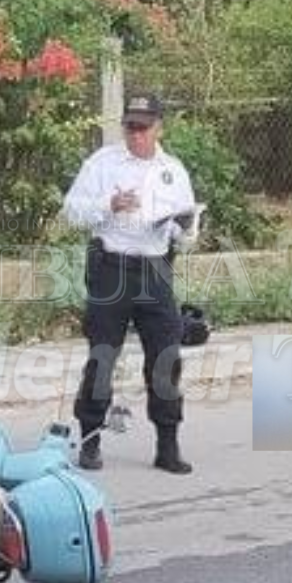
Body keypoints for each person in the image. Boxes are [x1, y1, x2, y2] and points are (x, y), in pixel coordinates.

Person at [62, 93, 201, 474]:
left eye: (143, 127)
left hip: (155, 269)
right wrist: (109, 204)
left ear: (159, 128)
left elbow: (187, 232)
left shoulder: (173, 169)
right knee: (103, 355)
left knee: (165, 358)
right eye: (130, 127)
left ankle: (167, 445)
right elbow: (71, 212)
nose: (135, 134)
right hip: (112, 268)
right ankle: (90, 441)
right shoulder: (102, 164)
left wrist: (185, 229)